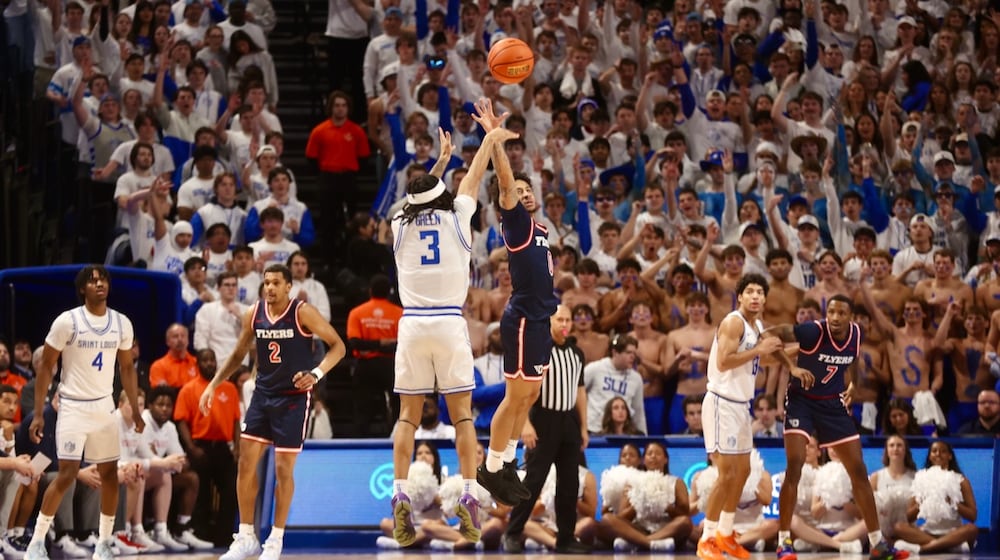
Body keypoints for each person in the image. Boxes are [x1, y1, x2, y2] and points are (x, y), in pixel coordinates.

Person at [388, 125, 502, 547]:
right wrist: (488, 139)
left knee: (406, 416)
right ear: (441, 195)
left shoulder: (399, 224)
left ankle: (399, 492)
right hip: (450, 322)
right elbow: (471, 176)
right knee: (463, 417)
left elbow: (414, 198)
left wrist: (435, 167)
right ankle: (469, 496)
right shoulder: (457, 217)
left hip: (413, 323)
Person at [198, 264, 347, 560]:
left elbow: (338, 347)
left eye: (276, 283)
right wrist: (213, 384)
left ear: (288, 286)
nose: (270, 288)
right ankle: (246, 536)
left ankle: (276, 538)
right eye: (266, 282)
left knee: (282, 470)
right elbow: (239, 353)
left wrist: (316, 374)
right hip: (263, 395)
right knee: (245, 464)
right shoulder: (253, 313)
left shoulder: (303, 312)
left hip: (293, 399)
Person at [763, 293, 910, 560]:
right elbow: (770, 336)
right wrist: (791, 368)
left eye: (841, 313)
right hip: (801, 401)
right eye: (831, 312)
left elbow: (852, 358)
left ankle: (877, 543)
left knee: (859, 471)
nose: (835, 318)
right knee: (794, 467)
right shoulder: (812, 331)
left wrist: (852, 383)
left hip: (832, 404)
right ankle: (784, 542)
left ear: (850, 317)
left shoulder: (855, 333)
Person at [470, 98, 561, 510]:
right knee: (514, 396)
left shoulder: (541, 228)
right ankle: (492, 466)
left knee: (527, 398)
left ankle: (505, 462)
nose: (523, 194)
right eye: (517, 192)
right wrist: (496, 141)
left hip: (541, 321)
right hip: (523, 319)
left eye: (528, 190)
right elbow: (505, 184)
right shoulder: (516, 222)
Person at [25, 265, 144, 560]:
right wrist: (39, 412)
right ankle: (37, 541)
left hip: (104, 406)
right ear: (82, 290)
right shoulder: (68, 321)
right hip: (73, 406)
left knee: (109, 476)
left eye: (103, 279)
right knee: (66, 475)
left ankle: (104, 542)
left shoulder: (121, 323)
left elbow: (127, 368)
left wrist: (136, 409)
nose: (99, 283)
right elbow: (46, 369)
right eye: (92, 281)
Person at [696, 273, 784, 560]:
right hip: (722, 402)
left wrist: (797, 353)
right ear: (740, 296)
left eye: (761, 291)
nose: (756, 296)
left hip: (741, 405)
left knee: (744, 472)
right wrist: (760, 348)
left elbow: (763, 358)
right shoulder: (734, 322)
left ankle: (725, 533)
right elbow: (724, 361)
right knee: (727, 474)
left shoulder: (756, 325)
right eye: (751, 291)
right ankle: (707, 538)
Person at [501, 305, 591, 554]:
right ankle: (512, 532)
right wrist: (525, 424)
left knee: (570, 484)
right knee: (533, 481)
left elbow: (580, 391)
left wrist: (584, 427)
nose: (564, 323)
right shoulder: (538, 350)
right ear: (549, 321)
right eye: (559, 318)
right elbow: (522, 392)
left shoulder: (577, 354)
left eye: (568, 319)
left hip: (568, 422)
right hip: (542, 420)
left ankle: (566, 538)